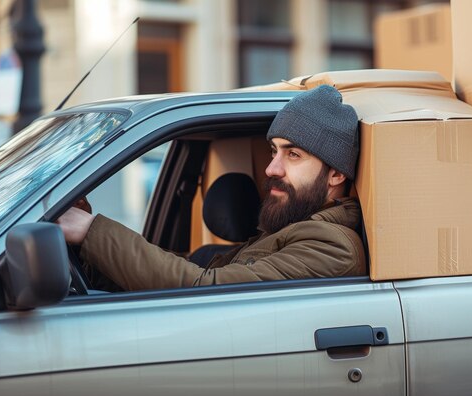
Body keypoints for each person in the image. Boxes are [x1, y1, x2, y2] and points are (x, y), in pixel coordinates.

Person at [57, 85, 366, 291]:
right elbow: (183, 268)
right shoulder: (281, 232)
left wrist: (90, 230)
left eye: (293, 155)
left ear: (336, 174)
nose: (272, 168)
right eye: (274, 150)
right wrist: (86, 254)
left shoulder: (332, 246)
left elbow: (206, 289)